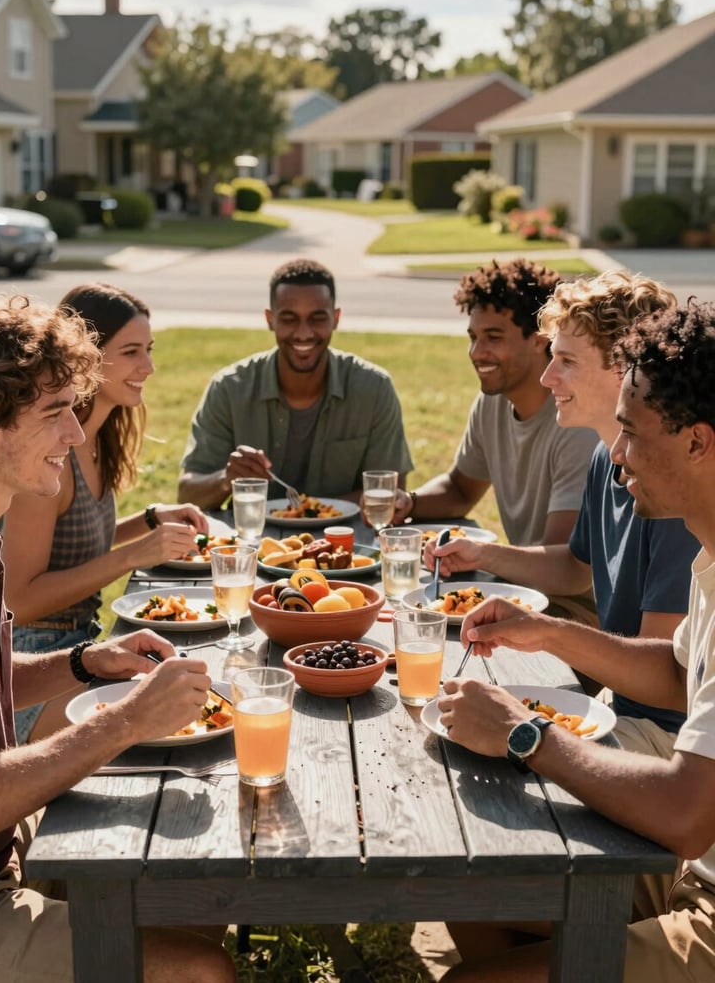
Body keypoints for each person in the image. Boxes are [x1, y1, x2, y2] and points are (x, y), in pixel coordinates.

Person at [0, 295, 235, 983]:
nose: (76, 436)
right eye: (54, 414)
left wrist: (82, 663)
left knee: (188, 890)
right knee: (198, 969)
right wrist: (129, 718)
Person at [437, 299, 715, 983]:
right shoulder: (710, 557)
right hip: (690, 869)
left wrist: (523, 733)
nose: (615, 453)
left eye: (631, 432)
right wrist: (546, 630)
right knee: (463, 884)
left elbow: (684, 812)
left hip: (702, 894)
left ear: (697, 441)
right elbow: (681, 674)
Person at [426, 272, 700, 746]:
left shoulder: (672, 492)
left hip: (666, 737)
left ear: (625, 367)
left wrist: (547, 633)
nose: (547, 376)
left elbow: (667, 681)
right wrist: (483, 555)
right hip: (617, 708)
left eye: (567, 361)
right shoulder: (604, 455)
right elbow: (576, 569)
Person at [1, 283, 209, 744]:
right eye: (132, 352)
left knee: (194, 686)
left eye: (149, 350)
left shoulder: (94, 438)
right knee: (175, 709)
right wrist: (134, 555)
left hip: (81, 647)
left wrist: (150, 519)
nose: (148, 367)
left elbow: (76, 541)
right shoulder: (49, 457)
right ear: (86, 357)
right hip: (29, 669)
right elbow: (19, 598)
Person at [393, 259, 597, 553]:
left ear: (540, 340)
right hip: (523, 582)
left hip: (566, 597)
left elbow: (561, 559)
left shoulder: (576, 423)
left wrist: (481, 556)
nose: (477, 353)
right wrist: (409, 502)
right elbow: (460, 489)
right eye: (473, 338)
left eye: (493, 337)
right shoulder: (494, 402)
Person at [178, 257, 413, 509]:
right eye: (289, 318)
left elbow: (391, 493)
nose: (303, 333)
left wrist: (307, 511)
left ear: (335, 318)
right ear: (270, 319)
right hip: (253, 543)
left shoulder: (374, 388)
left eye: (317, 318)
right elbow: (187, 495)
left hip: (347, 541)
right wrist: (226, 479)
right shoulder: (228, 388)